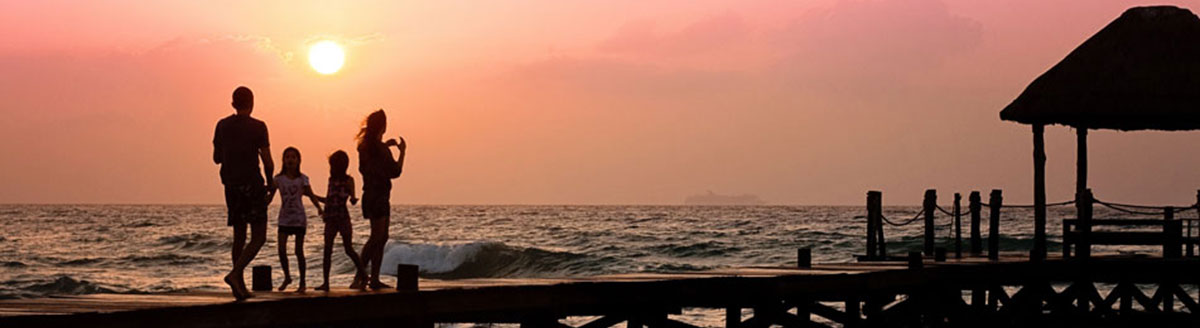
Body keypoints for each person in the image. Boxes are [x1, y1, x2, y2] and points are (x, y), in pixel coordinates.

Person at [213, 86, 273, 300]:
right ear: (252, 103)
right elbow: (267, 161)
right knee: (259, 236)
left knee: (239, 235)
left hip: (231, 186)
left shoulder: (221, 125)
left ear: (232, 104)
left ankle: (239, 285)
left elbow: (216, 158)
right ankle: (236, 274)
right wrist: (271, 184)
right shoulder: (259, 127)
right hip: (252, 185)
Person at [353, 109, 406, 290]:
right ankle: (361, 277)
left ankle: (370, 278)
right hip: (380, 196)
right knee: (377, 237)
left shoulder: (364, 147)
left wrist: (385, 145)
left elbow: (371, 163)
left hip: (370, 195)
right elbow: (395, 172)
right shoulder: (380, 149)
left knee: (381, 237)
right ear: (382, 126)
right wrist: (402, 152)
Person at [272, 147, 324, 292]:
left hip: (299, 218)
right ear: (283, 160)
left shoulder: (303, 179)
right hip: (284, 218)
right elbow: (270, 195)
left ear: (298, 160)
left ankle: (302, 282)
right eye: (287, 157)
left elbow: (311, 195)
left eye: (293, 157)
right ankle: (287, 277)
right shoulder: (278, 179)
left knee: (298, 251)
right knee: (281, 249)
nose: (290, 160)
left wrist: (319, 208)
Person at [315, 150, 367, 292]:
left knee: (348, 249)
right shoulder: (331, 180)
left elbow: (353, 198)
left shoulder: (349, 180)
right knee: (327, 250)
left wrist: (353, 198)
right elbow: (329, 200)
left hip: (342, 217)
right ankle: (325, 282)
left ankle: (363, 275)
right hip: (331, 218)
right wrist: (312, 196)